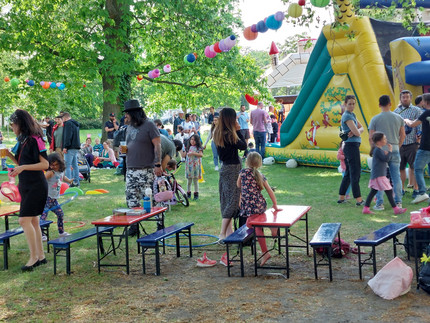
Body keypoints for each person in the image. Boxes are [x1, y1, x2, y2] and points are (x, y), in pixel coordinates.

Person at [5, 109, 49, 271]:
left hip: (36, 185)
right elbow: (21, 162)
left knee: (24, 220)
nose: (12, 127)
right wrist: (8, 154)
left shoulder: (35, 139)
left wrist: (23, 167)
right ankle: (41, 256)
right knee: (33, 221)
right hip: (26, 185)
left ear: (21, 123)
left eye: (14, 124)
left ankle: (33, 257)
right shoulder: (22, 140)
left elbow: (45, 165)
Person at [123, 99, 162, 236]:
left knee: (150, 198)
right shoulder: (129, 127)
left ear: (134, 113)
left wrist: (157, 164)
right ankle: (134, 227)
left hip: (146, 169)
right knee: (131, 198)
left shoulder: (149, 125)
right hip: (131, 169)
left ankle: (159, 224)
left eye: (127, 113)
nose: (125, 116)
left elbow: (157, 145)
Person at [237, 152, 280, 266]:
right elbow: (269, 190)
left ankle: (265, 252)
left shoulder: (242, 173)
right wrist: (275, 204)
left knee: (253, 226)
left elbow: (238, 185)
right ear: (260, 164)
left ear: (246, 162)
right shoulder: (260, 175)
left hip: (251, 207)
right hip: (260, 204)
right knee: (252, 224)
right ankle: (271, 226)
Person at [213, 107, 247, 242]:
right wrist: (239, 130)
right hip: (233, 168)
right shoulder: (229, 134)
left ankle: (229, 233)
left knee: (225, 198)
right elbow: (243, 146)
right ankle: (222, 234)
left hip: (224, 167)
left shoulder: (218, 131)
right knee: (233, 201)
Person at [368, 95, 405, 209]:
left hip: (380, 149)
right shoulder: (399, 118)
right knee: (396, 177)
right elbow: (402, 135)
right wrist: (397, 146)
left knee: (379, 177)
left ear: (379, 105)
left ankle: (380, 203)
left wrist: (374, 149)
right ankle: (398, 201)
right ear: (390, 104)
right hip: (394, 147)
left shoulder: (375, 119)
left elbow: (371, 137)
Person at [362, 132, 407, 215]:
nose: (386, 140)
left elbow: (384, 158)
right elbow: (386, 159)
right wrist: (390, 151)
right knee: (388, 191)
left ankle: (366, 208)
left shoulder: (378, 150)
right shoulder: (377, 150)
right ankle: (396, 209)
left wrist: (386, 153)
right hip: (379, 175)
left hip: (379, 175)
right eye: (384, 139)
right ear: (379, 142)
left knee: (375, 192)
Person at [393, 90, 422, 199]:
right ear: (400, 98)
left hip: (412, 143)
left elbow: (419, 126)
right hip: (400, 144)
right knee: (400, 168)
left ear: (410, 98)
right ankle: (401, 189)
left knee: (414, 167)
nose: (405, 99)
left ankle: (416, 188)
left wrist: (418, 139)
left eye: (407, 97)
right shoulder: (396, 112)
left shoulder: (417, 110)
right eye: (403, 97)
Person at [338, 95, 365, 205]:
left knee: (349, 173)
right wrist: (356, 131)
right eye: (349, 104)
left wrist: (355, 131)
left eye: (353, 103)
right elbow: (359, 132)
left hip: (352, 145)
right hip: (351, 146)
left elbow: (362, 127)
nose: (352, 106)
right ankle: (358, 199)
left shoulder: (352, 114)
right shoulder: (347, 116)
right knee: (355, 172)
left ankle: (341, 197)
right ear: (345, 104)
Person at [40, 153, 74, 240]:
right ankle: (41, 234)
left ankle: (61, 232)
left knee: (60, 214)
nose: (54, 166)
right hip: (46, 198)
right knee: (43, 217)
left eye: (56, 164)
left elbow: (63, 177)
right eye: (52, 165)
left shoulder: (61, 171)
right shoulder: (50, 172)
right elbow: (41, 180)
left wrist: (69, 181)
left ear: (60, 163)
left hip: (54, 199)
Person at [405, 92, 430, 204]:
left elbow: (412, 124)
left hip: (425, 147)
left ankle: (422, 193)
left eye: (423, 101)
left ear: (425, 102)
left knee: (418, 168)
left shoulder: (425, 114)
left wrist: (406, 120)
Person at [62, 112, 81, 187]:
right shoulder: (75, 124)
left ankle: (68, 183)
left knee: (67, 166)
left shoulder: (68, 123)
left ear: (65, 118)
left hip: (70, 147)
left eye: (62, 119)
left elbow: (68, 136)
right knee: (75, 165)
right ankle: (76, 181)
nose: (63, 120)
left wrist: (65, 146)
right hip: (76, 146)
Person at [185, 134, 203, 200]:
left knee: (195, 181)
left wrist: (193, 153)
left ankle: (196, 194)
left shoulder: (198, 148)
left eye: (194, 140)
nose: (193, 141)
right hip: (189, 167)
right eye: (191, 139)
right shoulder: (189, 147)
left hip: (195, 166)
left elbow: (201, 155)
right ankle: (188, 194)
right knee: (189, 181)